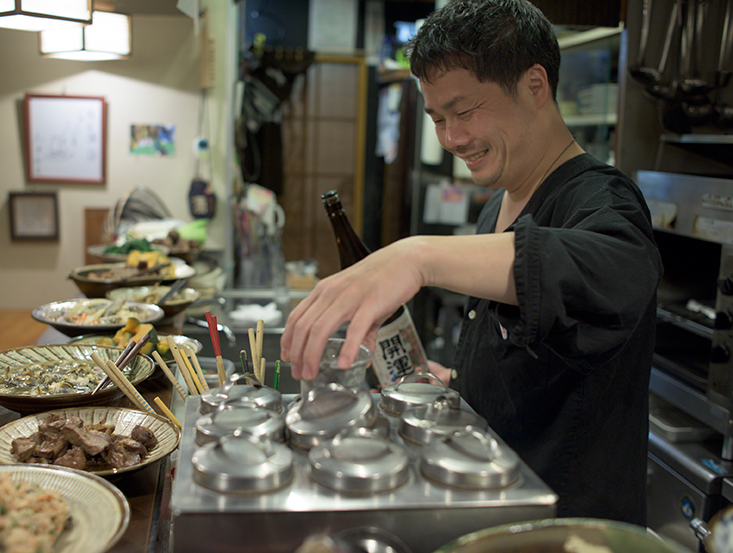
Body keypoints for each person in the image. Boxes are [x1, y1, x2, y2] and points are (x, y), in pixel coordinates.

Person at [280, 0, 663, 526]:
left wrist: (419, 255)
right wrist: (459, 386)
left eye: (463, 112)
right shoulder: (496, 208)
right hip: (494, 507)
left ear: (535, 85)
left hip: (569, 529)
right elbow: (530, 366)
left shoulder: (602, 199)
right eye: (437, 118)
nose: (451, 138)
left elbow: (614, 273)